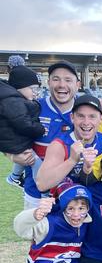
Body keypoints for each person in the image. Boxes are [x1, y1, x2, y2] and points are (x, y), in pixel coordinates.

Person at [18, 60, 79, 208]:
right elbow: (10, 136)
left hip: (74, 191)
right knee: (35, 230)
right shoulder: (34, 107)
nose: (61, 85)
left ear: (78, 85)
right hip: (36, 193)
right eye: (56, 79)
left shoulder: (85, 109)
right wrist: (13, 155)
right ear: (49, 82)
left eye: (68, 80)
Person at [36, 95, 102, 191]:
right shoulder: (60, 145)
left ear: (101, 119)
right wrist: (72, 160)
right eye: (80, 116)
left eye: (92, 116)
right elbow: (42, 184)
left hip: (93, 201)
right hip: (65, 202)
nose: (86, 122)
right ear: (72, 117)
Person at [0, 66, 45, 189]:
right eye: (32, 89)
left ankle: (14, 177)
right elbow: (24, 124)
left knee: (26, 155)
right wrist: (40, 129)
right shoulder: (14, 102)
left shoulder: (13, 99)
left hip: (13, 142)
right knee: (36, 163)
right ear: (20, 87)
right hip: (14, 142)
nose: (35, 92)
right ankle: (43, 189)